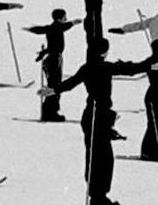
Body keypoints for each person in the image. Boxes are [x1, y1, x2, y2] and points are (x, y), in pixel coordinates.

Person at [49, 40, 151, 205]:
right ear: (104, 52)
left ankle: (96, 195)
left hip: (90, 115)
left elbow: (71, 83)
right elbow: (130, 70)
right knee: (104, 158)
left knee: (93, 155)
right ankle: (99, 197)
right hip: (100, 116)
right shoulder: (105, 67)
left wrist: (54, 90)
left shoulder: (87, 67)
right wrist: (150, 63)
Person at [27, 8, 73, 121]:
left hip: (53, 57)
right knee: (55, 86)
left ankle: (49, 110)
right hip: (54, 59)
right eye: (64, 18)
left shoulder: (51, 28)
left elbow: (41, 31)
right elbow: (67, 26)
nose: (66, 20)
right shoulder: (57, 27)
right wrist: (75, 22)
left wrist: (43, 53)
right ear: (59, 19)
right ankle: (50, 112)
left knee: (53, 84)